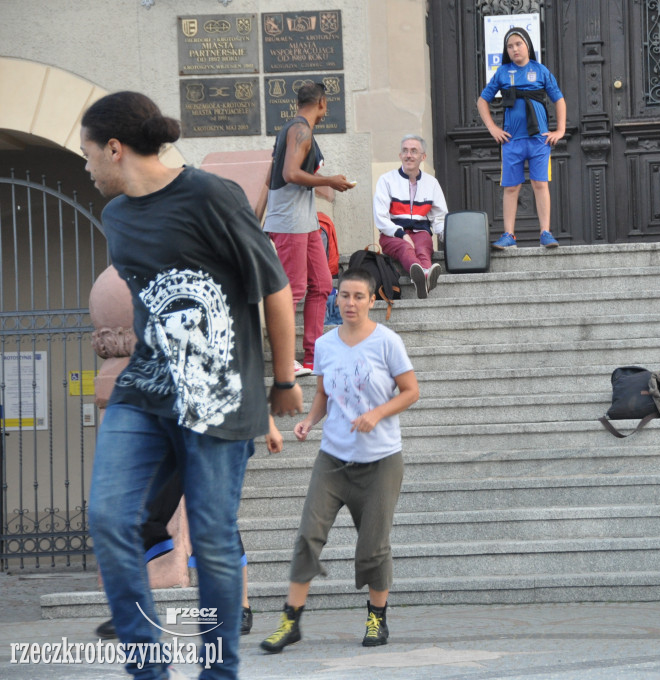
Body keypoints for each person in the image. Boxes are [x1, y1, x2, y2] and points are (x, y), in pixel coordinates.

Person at [81, 91, 304, 680]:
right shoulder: (117, 217)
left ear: (114, 147)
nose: (85, 166)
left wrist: (283, 380)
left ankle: (217, 672)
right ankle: (148, 668)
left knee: (211, 539)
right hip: (146, 389)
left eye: (87, 153)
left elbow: (274, 288)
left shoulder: (210, 195)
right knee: (108, 517)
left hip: (218, 398)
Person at [260, 268, 419, 653]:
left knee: (373, 547)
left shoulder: (387, 342)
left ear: (372, 300)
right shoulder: (326, 344)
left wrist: (377, 414)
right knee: (307, 538)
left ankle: (377, 619)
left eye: (358, 297)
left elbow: (411, 391)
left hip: (380, 461)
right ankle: (290, 621)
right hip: (333, 458)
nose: (349, 303)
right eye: (344, 296)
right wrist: (310, 423)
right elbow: (324, 392)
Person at [262, 82, 355, 376]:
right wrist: (329, 181)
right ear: (322, 103)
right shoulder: (300, 130)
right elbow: (289, 173)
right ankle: (284, 360)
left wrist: (256, 216)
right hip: (290, 223)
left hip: (305, 222)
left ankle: (312, 358)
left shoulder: (296, 130)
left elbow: (270, 176)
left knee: (322, 284)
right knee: (293, 290)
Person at [476, 27, 566, 250]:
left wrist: (560, 130)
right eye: (510, 46)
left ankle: (545, 232)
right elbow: (482, 100)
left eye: (518, 44)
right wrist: (492, 128)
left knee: (539, 183)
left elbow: (559, 100)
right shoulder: (503, 72)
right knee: (511, 187)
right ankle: (509, 235)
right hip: (512, 142)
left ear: (527, 46)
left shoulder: (540, 70)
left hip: (539, 140)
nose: (515, 49)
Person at [373, 135, 449, 298]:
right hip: (392, 234)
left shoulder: (432, 183)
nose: (409, 155)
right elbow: (380, 217)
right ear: (400, 155)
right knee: (405, 247)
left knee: (422, 248)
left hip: (421, 232)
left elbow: (439, 218)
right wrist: (401, 234)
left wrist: (448, 238)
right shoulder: (386, 180)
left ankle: (424, 278)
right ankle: (421, 276)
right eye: (405, 151)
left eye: (414, 151)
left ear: (423, 157)